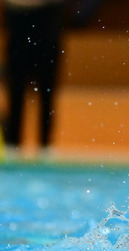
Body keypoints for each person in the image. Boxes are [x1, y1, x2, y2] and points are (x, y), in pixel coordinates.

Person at [3, 0, 66, 159]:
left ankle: (46, 144)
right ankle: (13, 142)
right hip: (19, 23)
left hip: (47, 24)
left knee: (47, 89)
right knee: (16, 88)